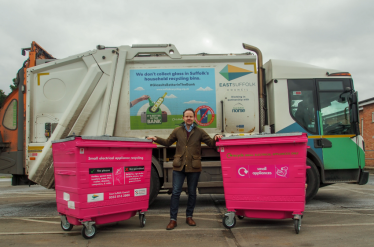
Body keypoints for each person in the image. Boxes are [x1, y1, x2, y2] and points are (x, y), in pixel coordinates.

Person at [147, 108, 222, 230]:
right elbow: (167, 142)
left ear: (194, 118)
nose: (189, 118)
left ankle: (189, 217)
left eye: (191, 116)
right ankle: (173, 219)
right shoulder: (177, 131)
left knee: (192, 193)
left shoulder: (199, 132)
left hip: (194, 167)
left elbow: (211, 143)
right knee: (176, 193)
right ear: (183, 118)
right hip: (179, 166)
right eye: (186, 116)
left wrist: (216, 137)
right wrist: (156, 138)